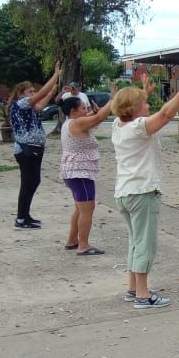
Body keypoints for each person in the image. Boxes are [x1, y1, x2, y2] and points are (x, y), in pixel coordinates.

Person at [111, 74, 179, 309]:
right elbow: (166, 115)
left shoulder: (118, 125)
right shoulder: (139, 127)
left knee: (135, 242)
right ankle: (143, 296)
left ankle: (133, 289)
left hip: (125, 193)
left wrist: (143, 92)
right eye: (145, 103)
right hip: (142, 192)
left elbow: (131, 106)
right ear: (135, 109)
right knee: (145, 244)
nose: (148, 106)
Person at [8, 63, 62, 230]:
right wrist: (55, 75)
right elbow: (41, 94)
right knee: (27, 183)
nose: (33, 93)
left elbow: (42, 100)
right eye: (29, 91)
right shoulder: (21, 104)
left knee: (34, 181)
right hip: (26, 150)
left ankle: (25, 215)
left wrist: (55, 88)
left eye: (33, 91)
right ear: (20, 94)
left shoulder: (31, 107)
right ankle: (21, 218)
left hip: (34, 149)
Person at [60, 94, 112, 256]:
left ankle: (72, 240)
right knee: (87, 209)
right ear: (74, 111)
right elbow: (99, 117)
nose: (86, 110)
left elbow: (96, 117)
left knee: (80, 208)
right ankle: (83, 245)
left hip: (74, 171)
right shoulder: (77, 123)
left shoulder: (70, 122)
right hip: (79, 172)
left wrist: (98, 112)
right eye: (83, 108)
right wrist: (114, 99)